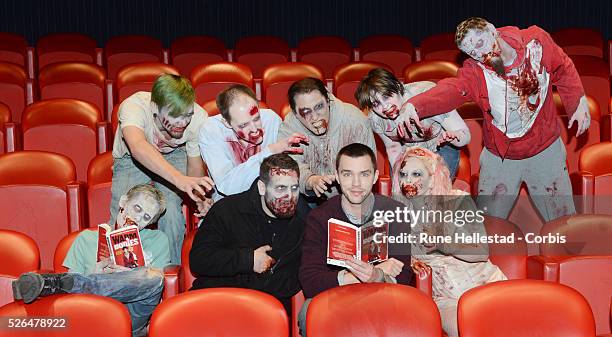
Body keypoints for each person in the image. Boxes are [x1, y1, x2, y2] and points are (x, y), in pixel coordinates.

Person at [398, 17, 590, 221]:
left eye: (480, 43)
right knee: (489, 226)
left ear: (492, 30)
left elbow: (563, 67)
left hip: (544, 150)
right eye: (472, 52)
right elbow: (452, 90)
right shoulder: (476, 72)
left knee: (563, 223)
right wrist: (414, 105)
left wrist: (578, 101)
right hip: (501, 155)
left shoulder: (535, 42)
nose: (481, 54)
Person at [13, 184, 171, 337]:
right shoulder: (86, 238)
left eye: (146, 217)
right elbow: (70, 303)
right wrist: (96, 274)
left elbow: (157, 288)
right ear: (123, 201)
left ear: (150, 223)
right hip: (92, 311)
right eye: (137, 208)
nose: (138, 218)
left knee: (154, 277)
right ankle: (87, 282)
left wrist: (137, 271)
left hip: (132, 316)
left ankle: (54, 284)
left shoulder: (158, 240)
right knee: (78, 287)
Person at [298, 143, 413, 336]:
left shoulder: (395, 212)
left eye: (364, 174)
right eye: (348, 174)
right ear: (337, 176)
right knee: (308, 312)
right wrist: (361, 276)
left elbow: (404, 275)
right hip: (336, 298)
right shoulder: (319, 217)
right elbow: (309, 281)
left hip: (382, 296)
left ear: (375, 176)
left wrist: (375, 277)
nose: (356, 183)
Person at [392, 147, 506, 337]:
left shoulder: (457, 200)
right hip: (447, 298)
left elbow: (481, 251)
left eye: (416, 174)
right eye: (403, 174)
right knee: (469, 331)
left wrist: (444, 244)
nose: (408, 180)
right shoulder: (397, 213)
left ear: (432, 179)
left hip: (488, 284)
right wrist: (411, 262)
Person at [111, 74, 215, 264]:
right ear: (155, 108)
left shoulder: (199, 118)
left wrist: (200, 198)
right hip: (130, 158)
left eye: (187, 115)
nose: (182, 123)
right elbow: (138, 147)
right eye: (175, 116)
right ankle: (119, 269)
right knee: (124, 212)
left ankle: (171, 273)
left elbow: (194, 164)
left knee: (172, 213)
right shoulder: (134, 106)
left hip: (175, 154)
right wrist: (179, 179)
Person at [189, 154, 308, 316]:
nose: (289, 196)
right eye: (280, 188)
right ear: (262, 187)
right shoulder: (227, 210)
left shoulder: (303, 222)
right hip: (217, 301)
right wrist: (248, 260)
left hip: (267, 311)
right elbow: (199, 260)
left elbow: (303, 274)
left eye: (294, 188)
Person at [355, 67, 470, 178]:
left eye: (386, 97)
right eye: (376, 104)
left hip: (441, 147)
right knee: (402, 192)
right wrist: (399, 177)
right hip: (408, 150)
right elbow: (393, 148)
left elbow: (465, 136)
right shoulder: (375, 119)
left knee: (435, 192)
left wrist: (454, 138)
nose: (385, 107)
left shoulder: (429, 95)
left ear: (398, 86)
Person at [199, 84, 308, 201]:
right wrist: (270, 151)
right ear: (226, 122)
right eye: (243, 125)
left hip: (269, 197)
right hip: (231, 202)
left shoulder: (271, 120)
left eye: (256, 119)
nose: (255, 129)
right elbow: (227, 186)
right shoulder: (211, 130)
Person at [279, 78, 376, 205]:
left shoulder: (355, 121)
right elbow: (288, 167)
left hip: (352, 196)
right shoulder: (289, 129)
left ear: (328, 99)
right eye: (306, 111)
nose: (315, 117)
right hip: (306, 199)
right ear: (295, 113)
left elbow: (367, 168)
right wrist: (310, 180)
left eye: (319, 107)